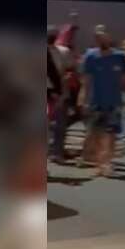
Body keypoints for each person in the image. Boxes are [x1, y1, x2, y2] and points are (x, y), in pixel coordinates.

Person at [79, 24, 125, 177]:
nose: (101, 38)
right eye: (98, 36)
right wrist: (83, 99)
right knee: (96, 133)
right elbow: (86, 80)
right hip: (96, 101)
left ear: (109, 37)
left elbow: (124, 80)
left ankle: (107, 163)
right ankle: (99, 163)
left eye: (104, 35)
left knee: (111, 134)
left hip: (114, 101)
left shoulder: (119, 56)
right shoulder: (90, 56)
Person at [47, 26, 71, 162]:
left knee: (60, 125)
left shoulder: (63, 51)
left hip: (60, 92)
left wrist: (63, 90)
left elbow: (69, 71)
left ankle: (57, 152)